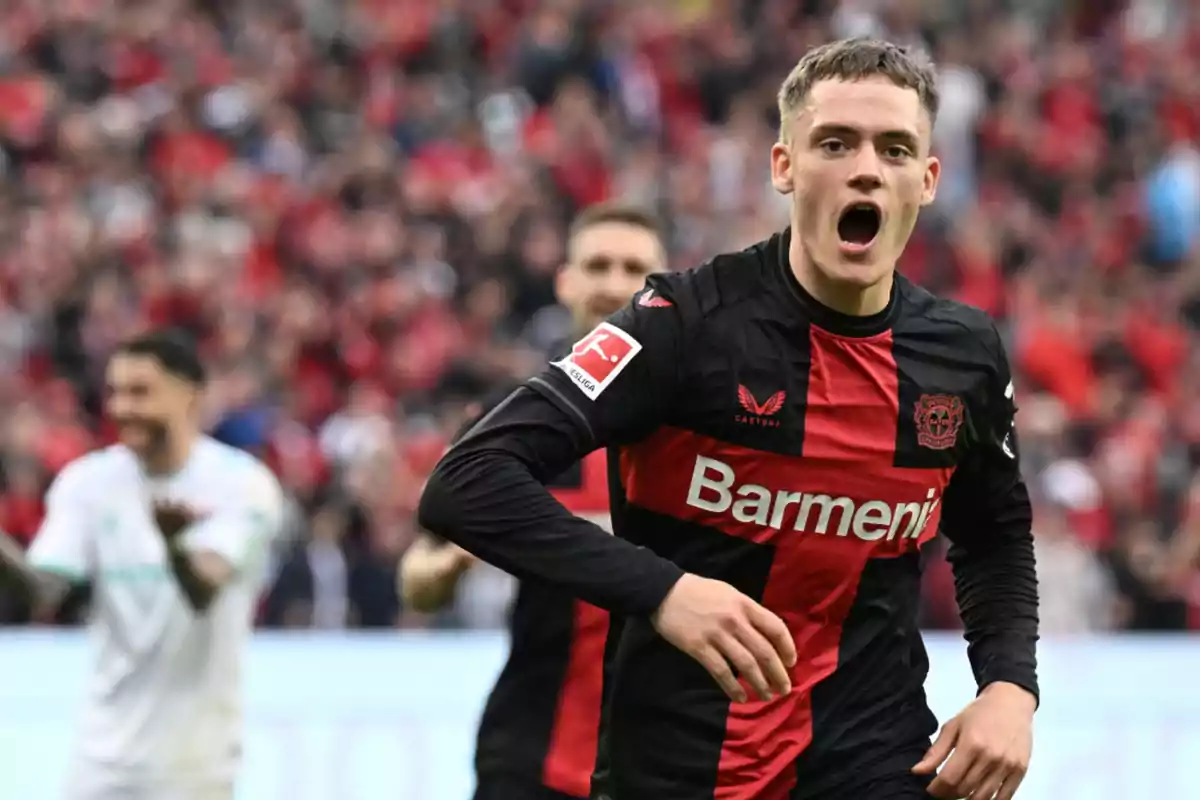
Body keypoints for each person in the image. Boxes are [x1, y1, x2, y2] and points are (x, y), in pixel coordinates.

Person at [418, 37, 1039, 800]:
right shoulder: (681, 324)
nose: (867, 168)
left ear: (928, 178)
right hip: (678, 772)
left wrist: (1009, 686)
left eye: (896, 148)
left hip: (874, 763)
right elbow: (466, 481)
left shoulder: (963, 355)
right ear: (785, 167)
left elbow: (995, 534)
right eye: (835, 144)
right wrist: (665, 590)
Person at [400, 202, 668, 800]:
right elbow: (416, 577)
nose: (614, 284)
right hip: (529, 755)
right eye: (598, 265)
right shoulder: (511, 420)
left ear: (662, 289)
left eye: (634, 269)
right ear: (565, 281)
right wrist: (443, 570)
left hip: (661, 760)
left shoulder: (699, 426)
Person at [0, 331, 284, 800]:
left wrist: (173, 542)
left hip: (194, 766)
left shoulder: (242, 485)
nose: (121, 408)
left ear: (190, 395)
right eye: (114, 392)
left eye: (140, 392)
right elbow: (44, 590)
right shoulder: (88, 482)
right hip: (99, 761)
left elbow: (204, 588)